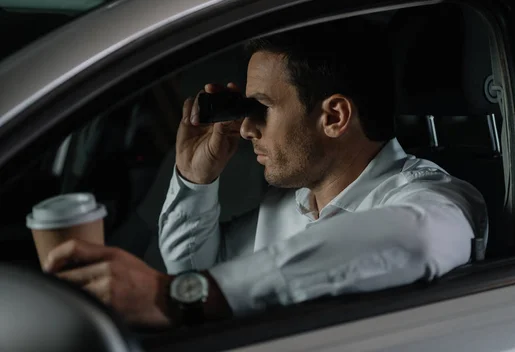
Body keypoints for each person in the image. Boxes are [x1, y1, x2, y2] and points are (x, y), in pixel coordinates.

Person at [43, 18, 487, 328]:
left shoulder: (435, 199)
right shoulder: (289, 204)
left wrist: (176, 298)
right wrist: (194, 181)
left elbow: (415, 240)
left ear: (334, 116)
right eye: (246, 109)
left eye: (265, 109)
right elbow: (197, 269)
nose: (247, 127)